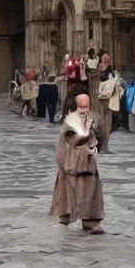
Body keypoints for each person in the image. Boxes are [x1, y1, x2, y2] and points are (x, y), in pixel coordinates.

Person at [50, 94, 104, 235]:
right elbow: (70, 138)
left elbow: (100, 137)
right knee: (69, 188)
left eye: (85, 107)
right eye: (80, 107)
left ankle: (91, 221)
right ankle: (65, 217)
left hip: (88, 162)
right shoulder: (70, 121)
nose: (83, 110)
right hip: (72, 161)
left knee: (90, 188)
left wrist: (95, 139)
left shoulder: (95, 119)